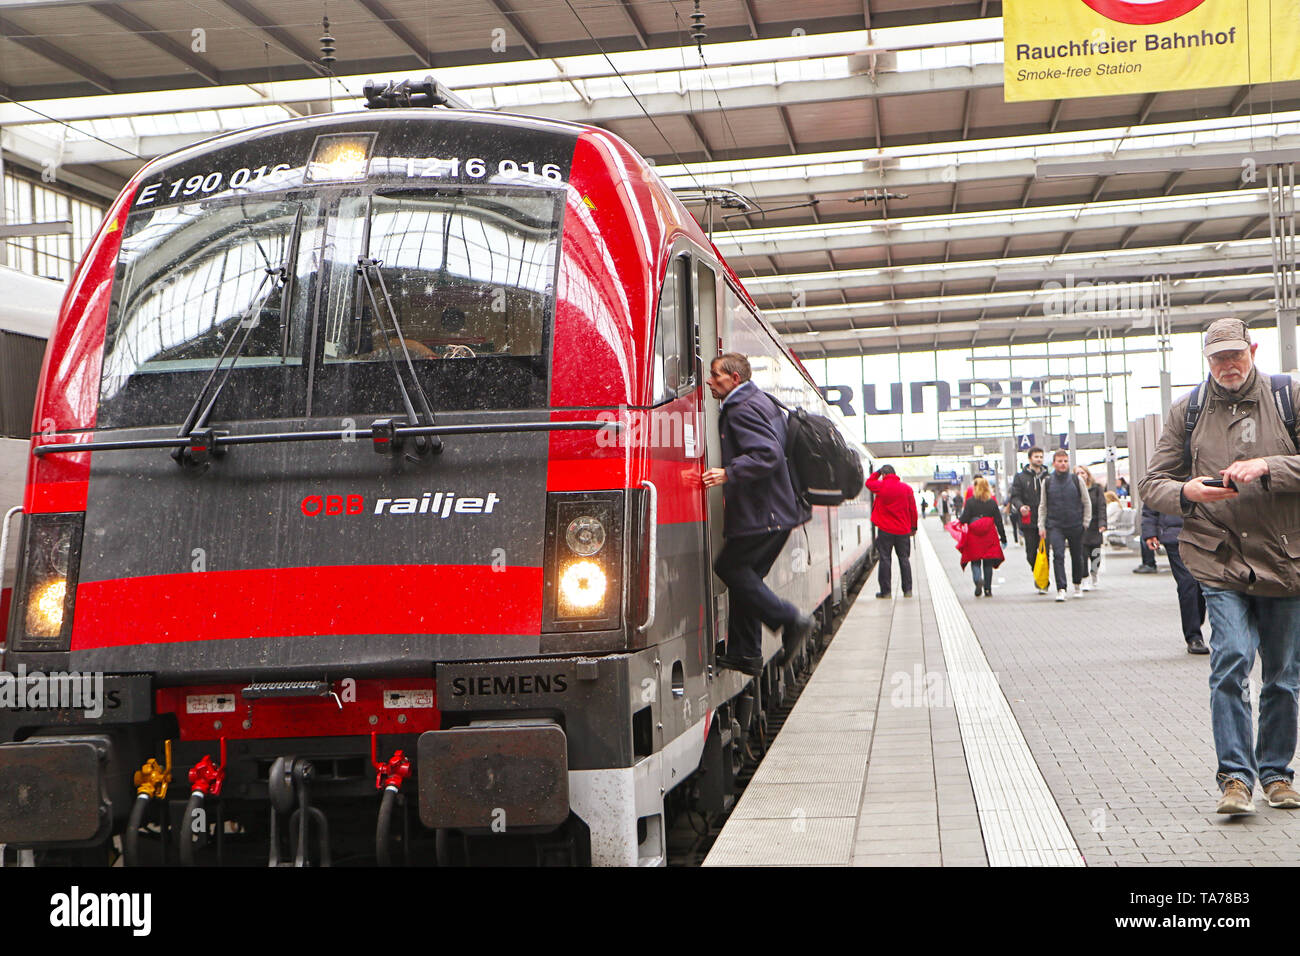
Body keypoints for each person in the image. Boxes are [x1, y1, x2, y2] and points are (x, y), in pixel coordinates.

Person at [1139, 317, 1300, 815]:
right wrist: (1184, 491)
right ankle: (1235, 778)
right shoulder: (1186, 410)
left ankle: (1275, 774)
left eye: (1235, 355)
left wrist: (1268, 467)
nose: (1228, 365)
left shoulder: (1287, 398)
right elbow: (1152, 482)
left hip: (1284, 560)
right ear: (1206, 361)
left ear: (1253, 350)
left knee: (1284, 673)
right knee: (1229, 658)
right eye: (1217, 358)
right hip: (1218, 558)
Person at [703, 353, 814, 677]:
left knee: (730, 567)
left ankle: (790, 619)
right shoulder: (759, 400)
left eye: (715, 375)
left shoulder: (741, 407)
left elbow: (768, 453)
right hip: (776, 511)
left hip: (762, 512)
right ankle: (746, 653)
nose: (710, 381)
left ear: (734, 379)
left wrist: (728, 472)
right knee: (746, 579)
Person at [1140, 503, 1208, 655]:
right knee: (1188, 583)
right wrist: (1150, 532)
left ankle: (1196, 620)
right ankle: (1193, 637)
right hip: (1175, 535)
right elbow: (1152, 499)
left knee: (1203, 583)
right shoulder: (1163, 478)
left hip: (1204, 535)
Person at [1038, 449, 1091, 601]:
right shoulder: (1047, 482)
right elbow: (1043, 506)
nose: (1063, 464)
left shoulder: (1076, 480)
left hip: (1075, 524)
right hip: (1055, 525)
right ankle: (1061, 588)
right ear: (1054, 463)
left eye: (1065, 461)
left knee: (1077, 555)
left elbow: (1086, 502)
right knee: (1058, 555)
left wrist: (1085, 522)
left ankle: (1077, 584)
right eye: (1060, 461)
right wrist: (1041, 526)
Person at [865, 464, 918, 599]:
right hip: (903, 531)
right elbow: (913, 509)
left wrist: (877, 472)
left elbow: (868, 482)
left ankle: (886, 592)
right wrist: (913, 527)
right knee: (904, 559)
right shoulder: (906, 489)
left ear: (883, 475)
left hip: (885, 530)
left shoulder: (881, 486)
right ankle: (907, 590)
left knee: (885, 559)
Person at [1008, 446, 1049, 592]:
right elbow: (1015, 496)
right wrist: (1020, 507)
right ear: (1030, 459)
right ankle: (1037, 573)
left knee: (1046, 551)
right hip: (1029, 520)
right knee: (1031, 553)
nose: (1039, 459)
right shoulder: (1020, 477)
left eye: (1041, 457)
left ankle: (1043, 580)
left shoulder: (1048, 476)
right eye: (1036, 457)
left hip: (1046, 520)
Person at [957, 477, 1005, 597]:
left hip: (974, 535)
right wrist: (1003, 537)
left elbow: (964, 519)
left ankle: (978, 580)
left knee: (975, 560)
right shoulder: (992, 502)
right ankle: (988, 590)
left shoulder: (970, 502)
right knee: (988, 562)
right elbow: (999, 521)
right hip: (989, 534)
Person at [1076, 464, 1107, 590]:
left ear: (1087, 474)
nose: (1080, 476)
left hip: (1095, 526)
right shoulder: (1073, 488)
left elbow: (1101, 506)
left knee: (1096, 554)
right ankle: (1085, 578)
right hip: (1081, 526)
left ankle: (1094, 572)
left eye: (1082, 473)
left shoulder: (1097, 488)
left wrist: (1103, 523)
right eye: (1077, 473)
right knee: (1082, 554)